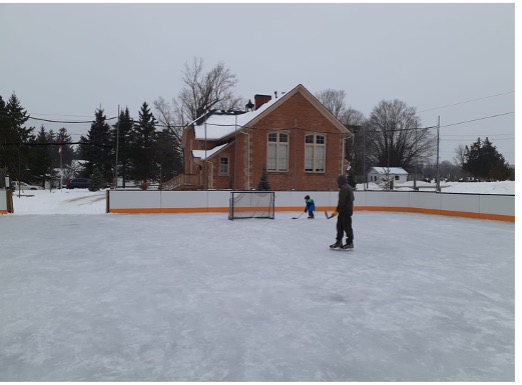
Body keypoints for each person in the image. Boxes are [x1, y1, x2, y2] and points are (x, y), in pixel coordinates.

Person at [330, 175, 355, 249]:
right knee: (340, 226)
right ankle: (339, 242)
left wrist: (336, 211)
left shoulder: (344, 189)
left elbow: (341, 202)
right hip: (346, 210)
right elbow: (353, 198)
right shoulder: (349, 187)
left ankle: (349, 242)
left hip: (345, 211)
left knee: (346, 227)